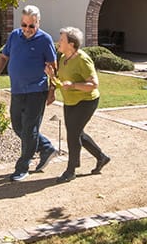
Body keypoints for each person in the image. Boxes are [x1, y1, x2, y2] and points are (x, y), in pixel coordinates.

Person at [0, 5, 58, 182]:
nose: (27, 29)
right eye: (24, 25)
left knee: (29, 128)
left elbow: (53, 66)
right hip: (18, 90)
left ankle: (23, 166)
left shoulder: (45, 39)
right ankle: (46, 147)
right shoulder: (14, 36)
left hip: (37, 90)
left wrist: (52, 90)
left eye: (31, 26)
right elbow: (4, 57)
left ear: (38, 23)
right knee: (17, 126)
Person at [46, 26, 110, 183]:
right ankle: (101, 157)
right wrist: (51, 76)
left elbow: (94, 84)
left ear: (72, 44)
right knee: (77, 132)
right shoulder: (62, 57)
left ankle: (71, 169)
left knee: (73, 134)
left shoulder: (82, 59)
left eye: (62, 40)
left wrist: (74, 85)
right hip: (70, 101)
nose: (58, 42)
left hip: (86, 101)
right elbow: (61, 81)